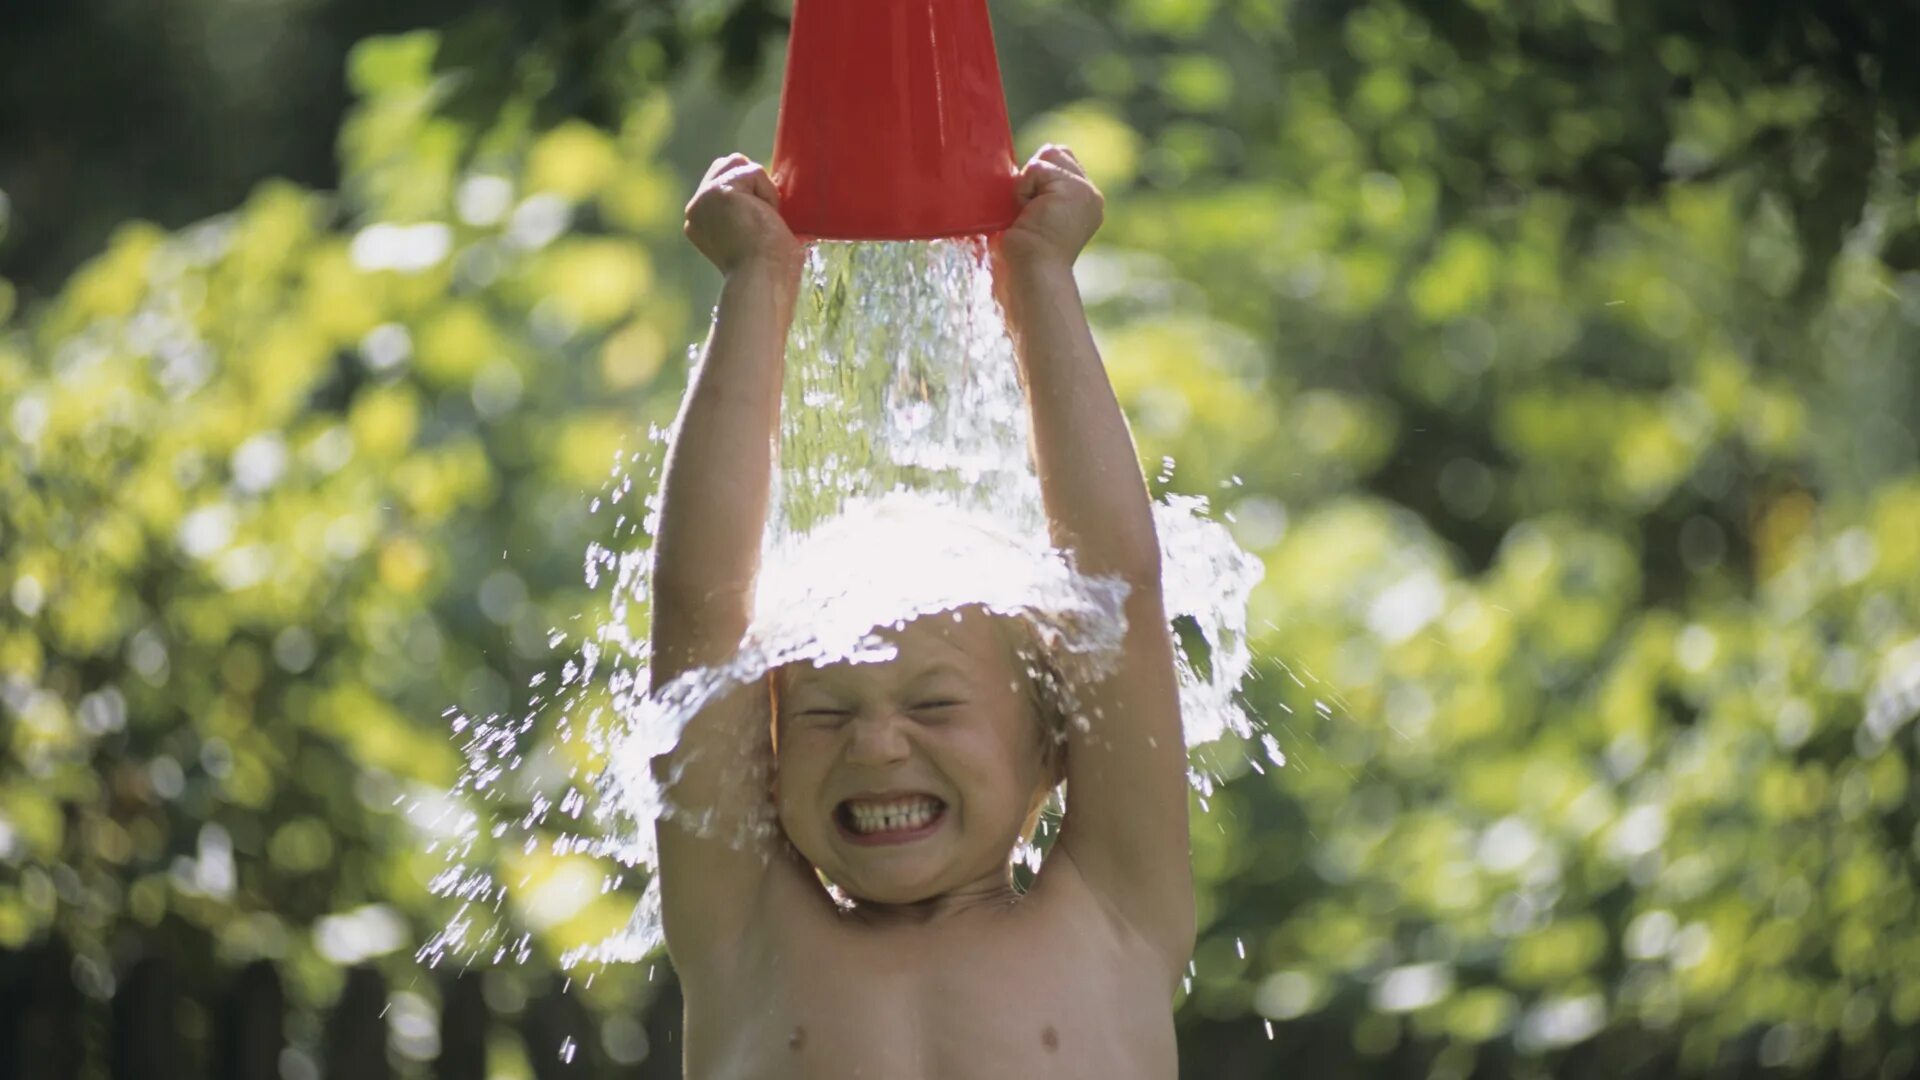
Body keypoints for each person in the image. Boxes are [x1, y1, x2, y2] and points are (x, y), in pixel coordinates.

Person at [648, 144, 1191, 1078]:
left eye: (934, 706)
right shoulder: (743, 939)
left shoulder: (1115, 912)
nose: (877, 746)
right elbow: (703, 616)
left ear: (1054, 744)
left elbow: (1119, 593)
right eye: (821, 714)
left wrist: (1038, 278)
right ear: (768, 758)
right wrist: (756, 280)